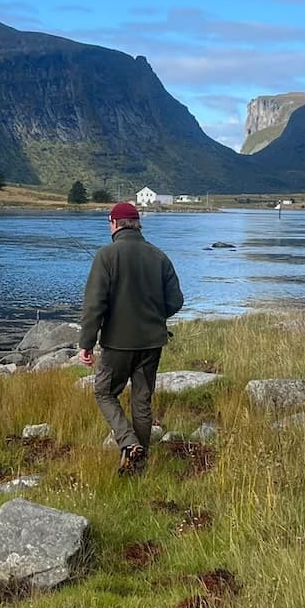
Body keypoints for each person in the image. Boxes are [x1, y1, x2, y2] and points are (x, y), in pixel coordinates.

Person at [79, 201, 184, 474]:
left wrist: (86, 343)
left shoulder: (106, 255)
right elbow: (176, 301)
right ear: (137, 224)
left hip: (117, 343)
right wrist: (153, 315)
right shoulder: (159, 256)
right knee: (142, 400)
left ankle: (128, 443)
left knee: (104, 392)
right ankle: (140, 463)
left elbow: (94, 304)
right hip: (152, 342)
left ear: (114, 224)